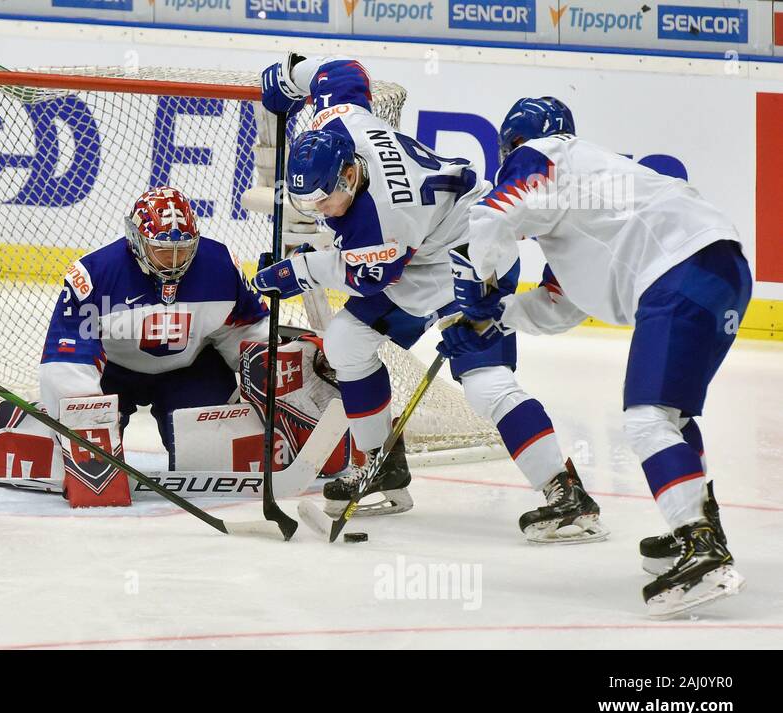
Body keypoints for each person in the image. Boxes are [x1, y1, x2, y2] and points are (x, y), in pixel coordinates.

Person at [253, 55, 604, 541]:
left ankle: (566, 493)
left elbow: (366, 274)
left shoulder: (385, 219)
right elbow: (342, 73)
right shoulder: (340, 121)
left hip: (474, 253)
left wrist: (297, 271)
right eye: (309, 202)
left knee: (484, 384)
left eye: (326, 200)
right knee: (346, 341)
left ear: (350, 176)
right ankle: (382, 467)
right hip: (421, 252)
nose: (321, 211)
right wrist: (291, 77)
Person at [460, 96, 749, 617]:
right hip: (723, 269)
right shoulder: (594, 197)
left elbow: (492, 217)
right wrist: (500, 312)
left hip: (679, 271)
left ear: (513, 145)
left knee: (646, 419)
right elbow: (560, 305)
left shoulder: (542, 155)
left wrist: (478, 283)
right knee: (673, 417)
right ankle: (705, 525)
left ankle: (700, 544)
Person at [38, 185, 268, 452]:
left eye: (182, 250)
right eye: (161, 250)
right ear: (135, 240)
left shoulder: (221, 266)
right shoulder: (94, 275)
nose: (173, 261)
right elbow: (69, 356)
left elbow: (245, 331)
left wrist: (269, 381)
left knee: (209, 455)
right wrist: (83, 421)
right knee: (89, 457)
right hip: (112, 372)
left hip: (189, 370)